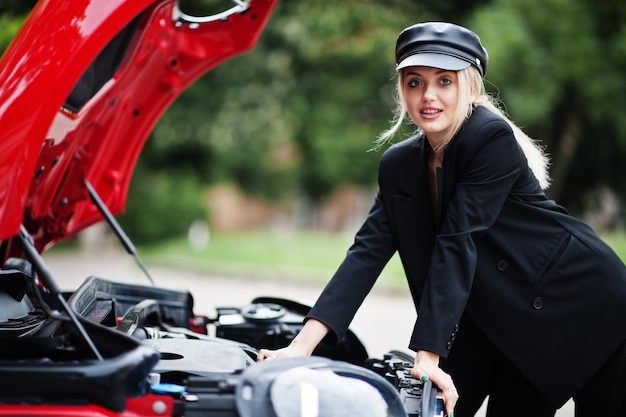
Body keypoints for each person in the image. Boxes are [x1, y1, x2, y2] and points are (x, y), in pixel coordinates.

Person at [257, 21, 626, 417]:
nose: (428, 96)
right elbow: (365, 254)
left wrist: (428, 355)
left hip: (581, 303)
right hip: (494, 319)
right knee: (432, 407)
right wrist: (301, 347)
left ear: (470, 88)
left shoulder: (489, 138)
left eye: (444, 81)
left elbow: (456, 242)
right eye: (414, 82)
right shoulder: (399, 165)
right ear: (401, 89)